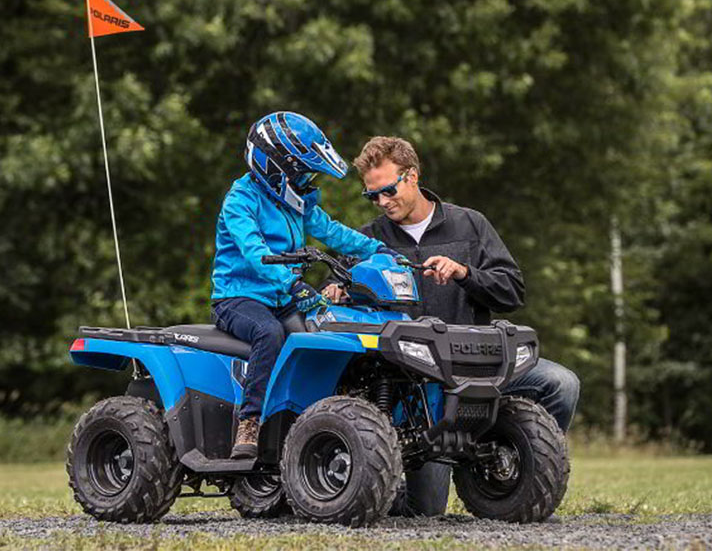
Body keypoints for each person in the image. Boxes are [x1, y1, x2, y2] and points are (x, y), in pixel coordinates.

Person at [323, 136, 580, 516]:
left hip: (476, 365)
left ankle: (507, 459)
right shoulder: (367, 239)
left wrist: (465, 273)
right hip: (410, 385)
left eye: (388, 190)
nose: (382, 202)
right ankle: (383, 478)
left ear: (412, 176)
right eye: (372, 196)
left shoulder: (470, 224)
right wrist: (336, 292)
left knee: (561, 384)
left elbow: (512, 291)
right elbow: (331, 301)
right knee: (424, 511)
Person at [211, 112, 397, 459]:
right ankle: (249, 423)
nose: (306, 179)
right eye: (300, 171)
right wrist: (293, 285)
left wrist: (378, 249)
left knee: (331, 326)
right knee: (269, 334)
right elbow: (254, 252)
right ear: (274, 166)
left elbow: (331, 231)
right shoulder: (240, 200)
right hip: (239, 298)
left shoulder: (297, 200)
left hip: (283, 296)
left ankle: (310, 420)